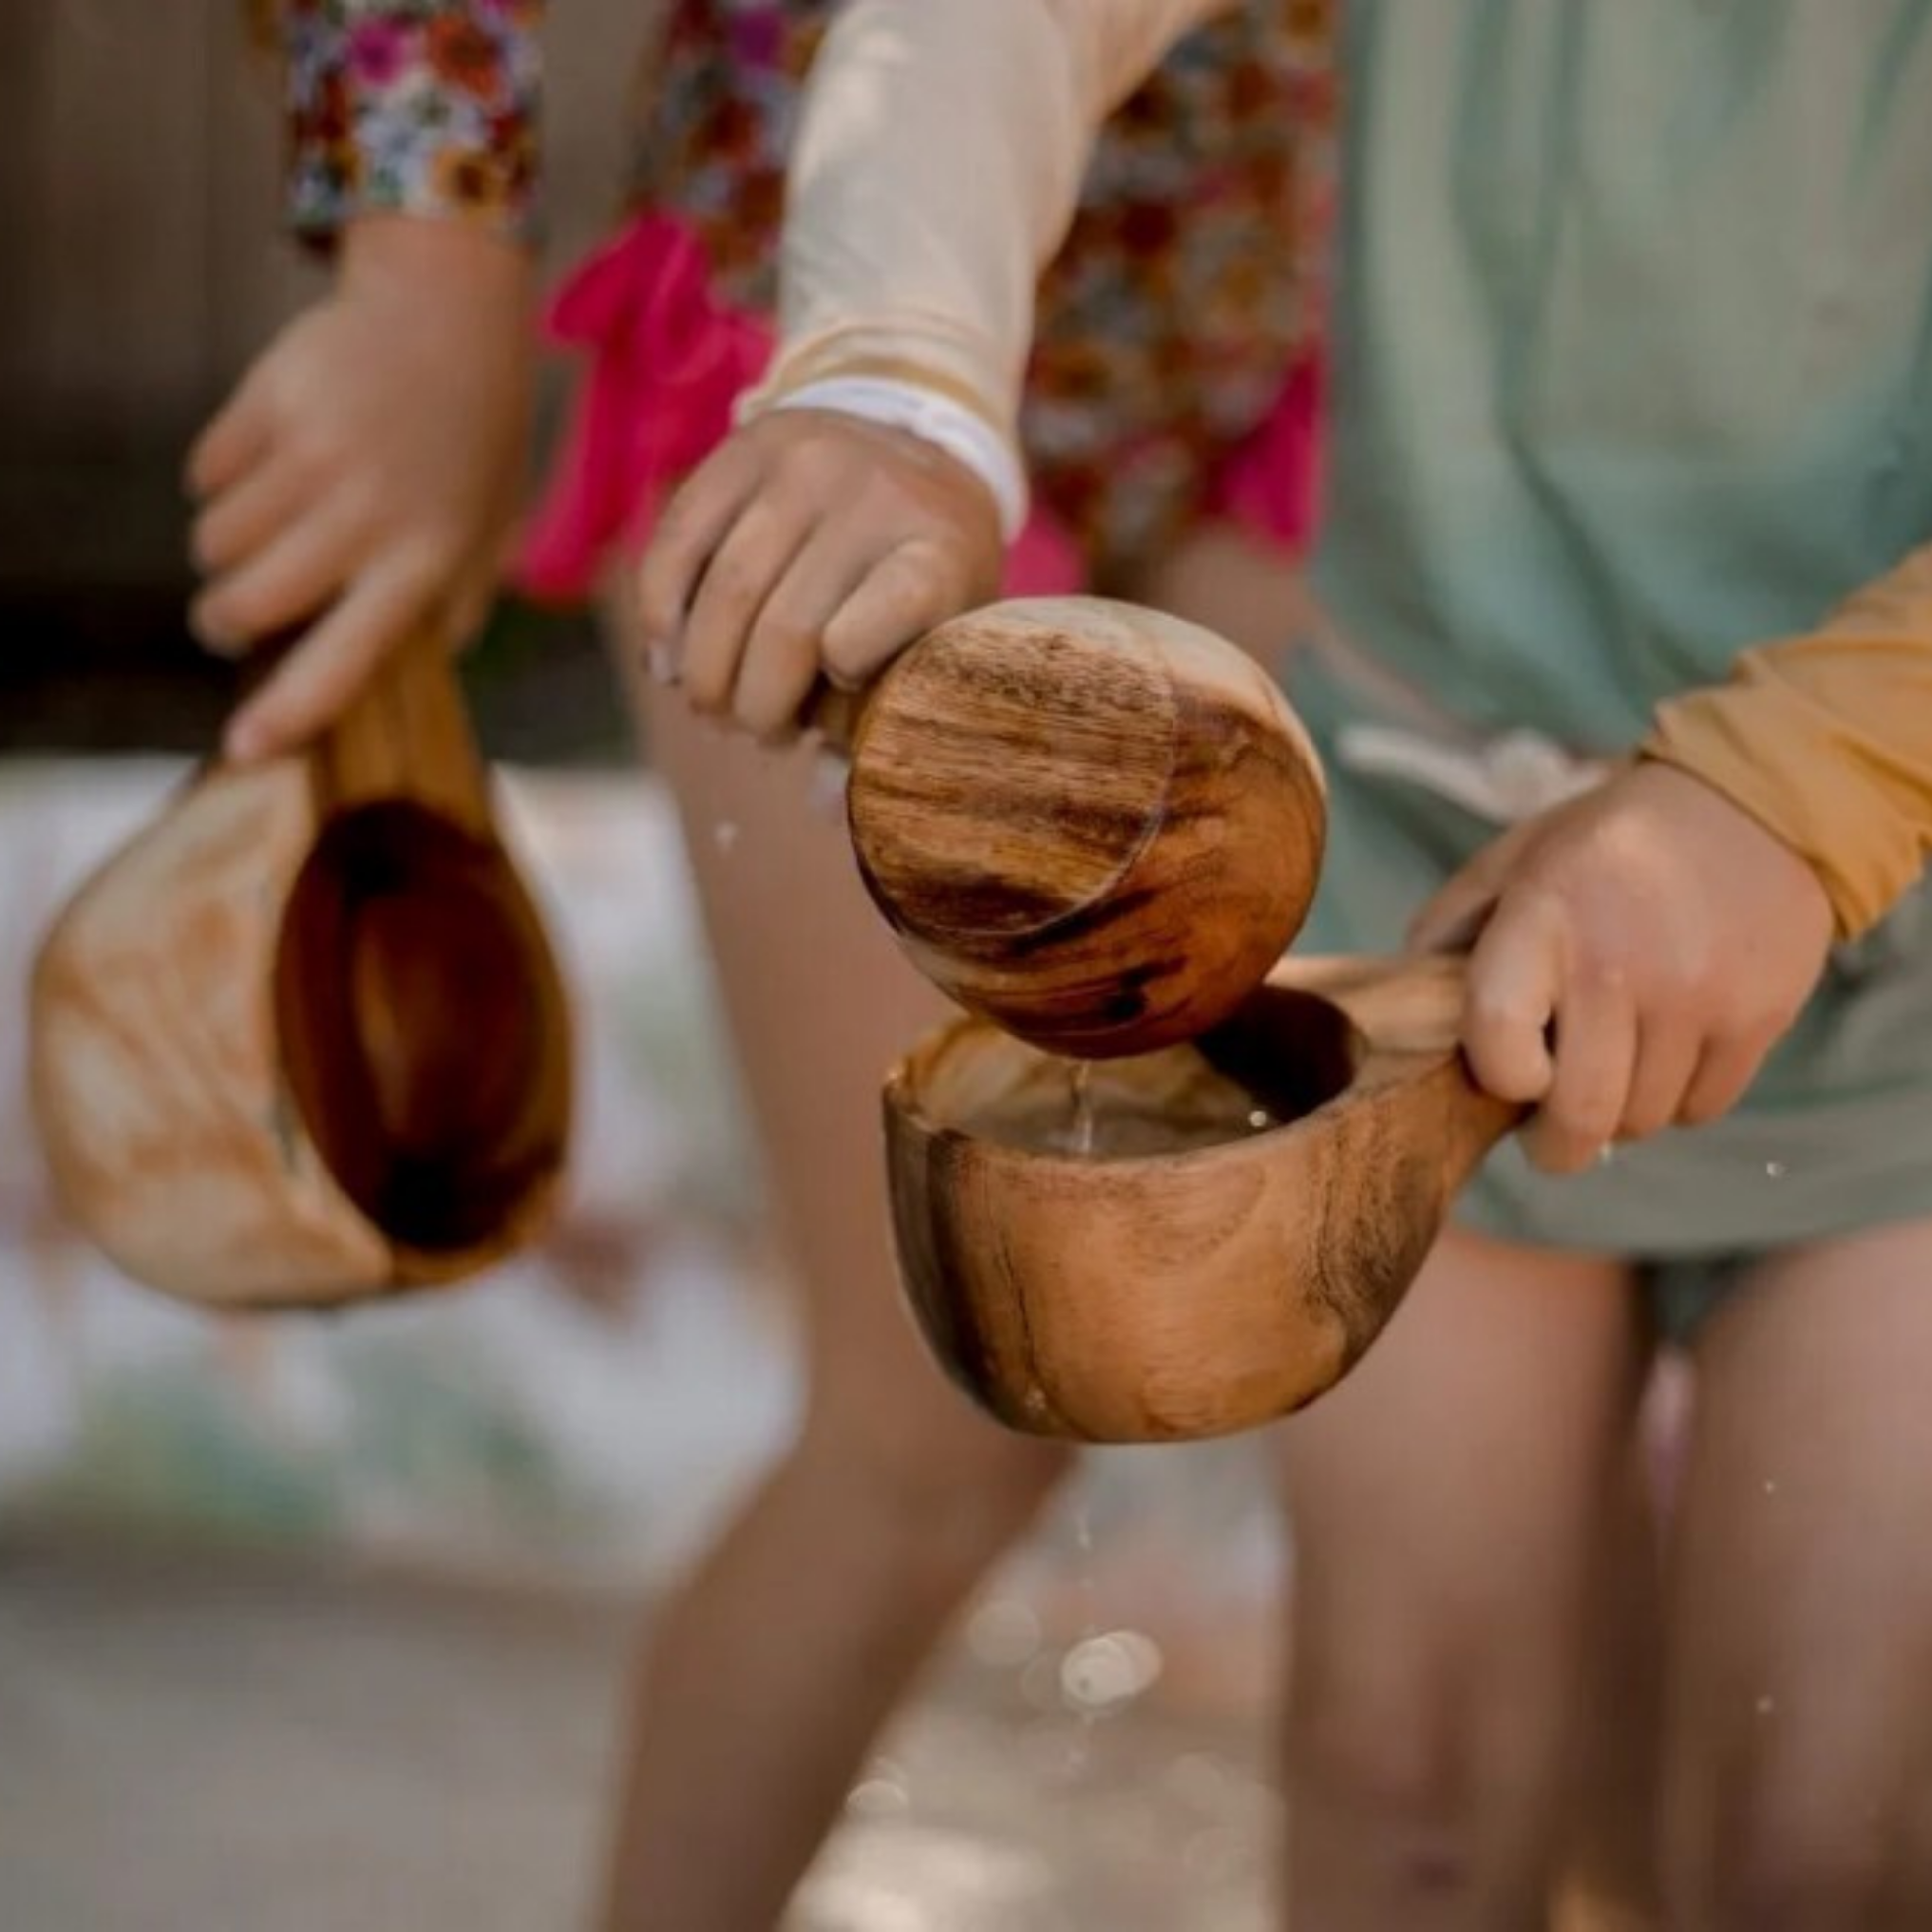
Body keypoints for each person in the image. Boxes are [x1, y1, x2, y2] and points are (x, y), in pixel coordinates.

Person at [641, 2, 1932, 1925]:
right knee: (1401, 1785)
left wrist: (1790, 785)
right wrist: (901, 380)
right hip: (1440, 804)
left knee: (1820, 1843)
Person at [207, 8, 1346, 1930]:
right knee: (945, 1411)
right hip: (817, 391)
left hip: (1285, 371)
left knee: (1435, 1398)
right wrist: (431, 249)